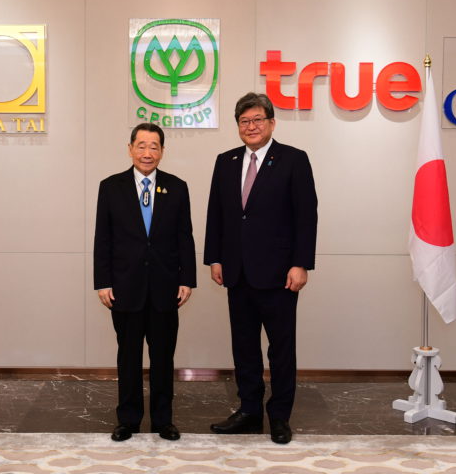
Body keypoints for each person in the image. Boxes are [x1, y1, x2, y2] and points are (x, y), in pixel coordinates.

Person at [204, 92, 318, 444]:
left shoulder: (293, 160)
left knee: (281, 349)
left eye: (257, 120)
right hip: (236, 272)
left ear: (271, 123)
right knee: (244, 348)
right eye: (244, 121)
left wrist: (301, 263)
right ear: (238, 126)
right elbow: (216, 213)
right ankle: (249, 410)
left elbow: (306, 216)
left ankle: (279, 416)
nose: (251, 126)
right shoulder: (226, 161)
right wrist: (215, 257)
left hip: (280, 274)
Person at [93, 123, 196, 442]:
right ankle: (128, 420)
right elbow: (103, 238)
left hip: (166, 287)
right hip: (125, 287)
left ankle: (164, 420)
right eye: (141, 145)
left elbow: (185, 236)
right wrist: (102, 281)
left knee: (163, 358)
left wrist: (187, 278)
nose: (147, 152)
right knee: (128, 357)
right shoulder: (111, 187)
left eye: (154, 146)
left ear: (162, 151)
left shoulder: (177, 187)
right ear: (130, 149)